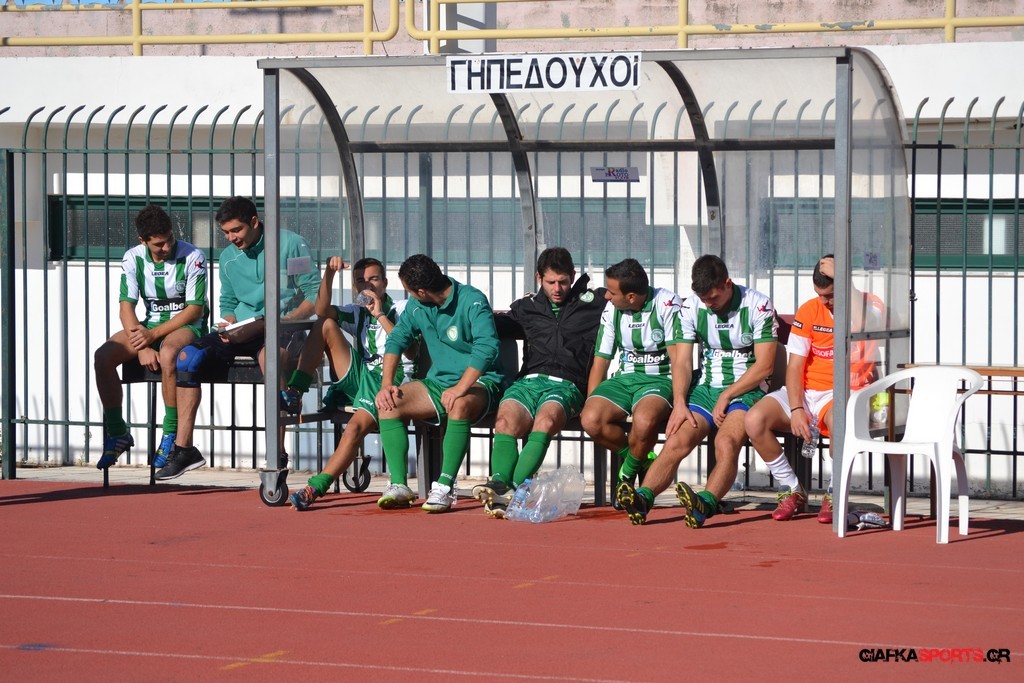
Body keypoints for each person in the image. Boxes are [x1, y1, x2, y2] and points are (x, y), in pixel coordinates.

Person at [154, 196, 320, 480]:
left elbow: (313, 294)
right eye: (226, 233)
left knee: (271, 360)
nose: (231, 238)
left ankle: (276, 453)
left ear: (254, 222)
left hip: (284, 329)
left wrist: (287, 320)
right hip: (244, 329)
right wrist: (228, 323)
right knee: (187, 357)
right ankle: (185, 449)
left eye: (236, 230)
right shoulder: (228, 257)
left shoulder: (291, 244)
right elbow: (228, 303)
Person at [616, 255, 778, 528]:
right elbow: (681, 361)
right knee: (676, 441)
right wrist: (679, 402)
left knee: (725, 442)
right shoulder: (691, 307)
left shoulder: (758, 305)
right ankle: (642, 498)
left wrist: (727, 395)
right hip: (704, 388)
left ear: (728, 283)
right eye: (704, 299)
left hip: (746, 391)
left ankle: (705, 503)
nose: (709, 304)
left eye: (713, 297)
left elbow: (765, 366)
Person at [745, 255, 886, 523]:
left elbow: (867, 325)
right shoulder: (809, 310)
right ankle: (791, 489)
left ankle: (834, 494)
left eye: (830, 295)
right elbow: (795, 365)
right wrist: (797, 408)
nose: (824, 301)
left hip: (846, 392)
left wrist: (844, 280)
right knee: (754, 420)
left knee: (839, 424)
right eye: (819, 294)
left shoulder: (870, 304)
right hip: (807, 393)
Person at [473, 247, 606, 518]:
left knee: (545, 421)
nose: (557, 289)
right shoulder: (526, 307)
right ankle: (499, 483)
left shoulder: (594, 302)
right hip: (528, 383)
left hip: (567, 385)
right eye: (550, 282)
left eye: (563, 282)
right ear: (539, 278)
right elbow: (489, 325)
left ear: (573, 276)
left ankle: (512, 490)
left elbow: (630, 295)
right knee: (504, 421)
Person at [282, 256, 416, 511]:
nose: (367, 285)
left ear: (385, 283)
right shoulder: (356, 311)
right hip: (363, 375)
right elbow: (322, 310)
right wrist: (329, 274)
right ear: (355, 287)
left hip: (393, 379)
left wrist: (379, 314)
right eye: (360, 281)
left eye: (373, 279)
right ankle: (296, 390)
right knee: (324, 323)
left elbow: (410, 350)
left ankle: (315, 487)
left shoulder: (402, 308)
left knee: (353, 429)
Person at [375, 254, 506, 513]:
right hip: (438, 383)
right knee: (388, 404)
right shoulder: (417, 305)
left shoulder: (472, 299)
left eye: (409, 290)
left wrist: (460, 388)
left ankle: (444, 487)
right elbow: (397, 339)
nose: (408, 295)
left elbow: (487, 347)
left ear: (422, 291)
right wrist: (386, 384)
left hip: (482, 382)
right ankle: (399, 485)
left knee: (458, 404)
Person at [93, 205, 208, 469]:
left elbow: (194, 309)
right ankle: (118, 433)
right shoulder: (132, 257)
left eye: (170, 239)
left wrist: (150, 336)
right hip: (148, 327)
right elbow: (126, 308)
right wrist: (142, 347)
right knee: (103, 356)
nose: (167, 247)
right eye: (159, 244)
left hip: (187, 326)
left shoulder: (193, 256)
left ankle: (170, 434)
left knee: (168, 354)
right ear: (143, 241)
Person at [580, 258, 690, 508]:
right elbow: (601, 360)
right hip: (624, 379)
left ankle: (626, 477)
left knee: (644, 421)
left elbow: (678, 360)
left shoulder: (667, 304)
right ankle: (641, 460)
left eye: (611, 292)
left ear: (631, 297)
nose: (606, 296)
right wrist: (591, 401)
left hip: (660, 379)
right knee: (591, 419)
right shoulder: (611, 309)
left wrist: (679, 401)